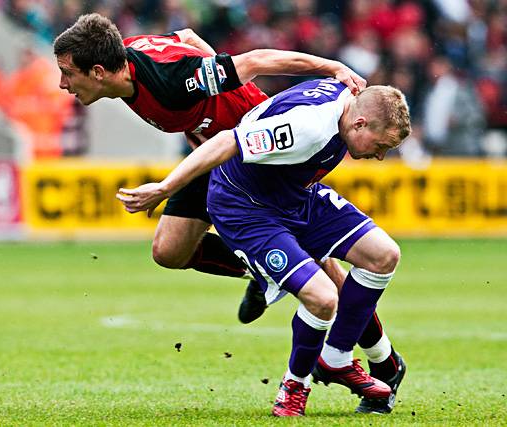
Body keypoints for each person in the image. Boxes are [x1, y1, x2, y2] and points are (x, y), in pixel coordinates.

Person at [55, 14, 404, 414]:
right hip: (212, 154)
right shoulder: (130, 55)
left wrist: (330, 65)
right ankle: (261, 271)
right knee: (169, 250)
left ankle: (384, 359)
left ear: (98, 72)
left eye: (67, 73)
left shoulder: (172, 80)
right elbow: (185, 36)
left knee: (328, 277)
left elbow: (254, 61)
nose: (63, 84)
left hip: (254, 156)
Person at [117, 79, 411, 417]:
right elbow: (228, 140)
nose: (380, 156)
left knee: (384, 255)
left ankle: (335, 358)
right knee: (324, 296)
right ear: (359, 123)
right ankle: (294, 386)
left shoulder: (345, 99)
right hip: (246, 207)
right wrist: (165, 188)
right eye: (381, 145)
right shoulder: (309, 128)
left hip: (293, 195)